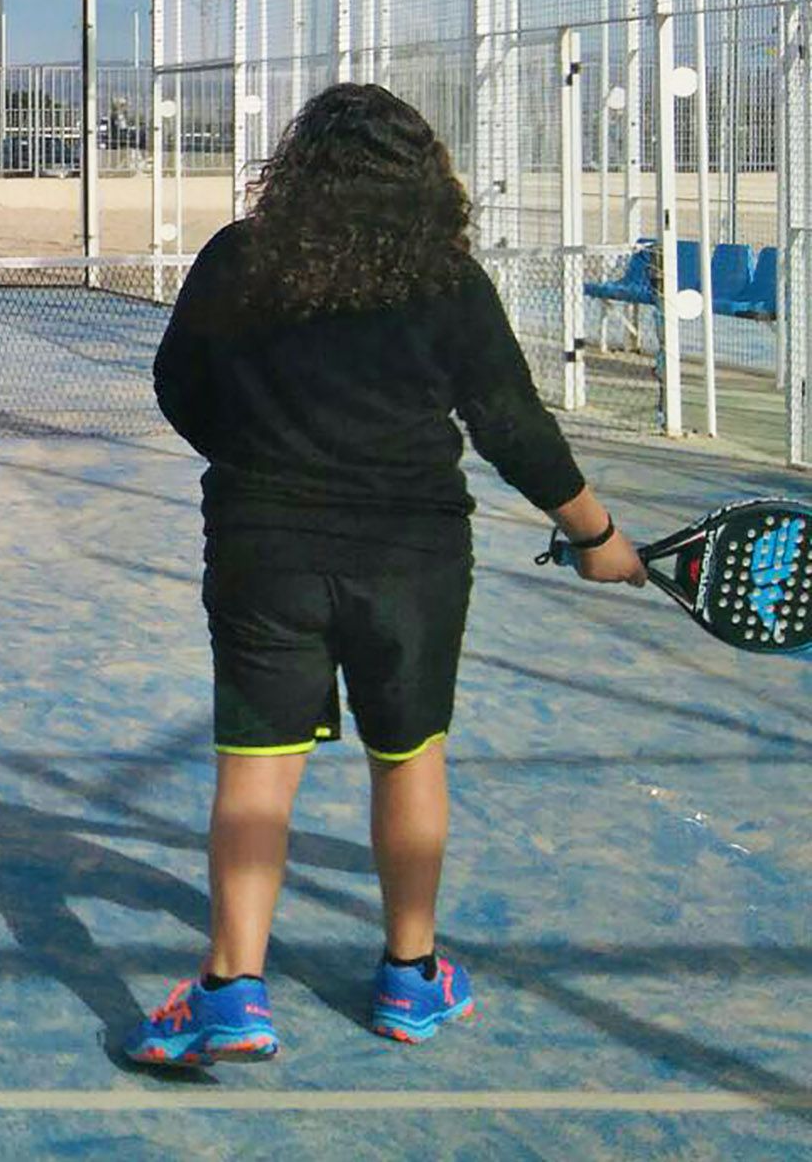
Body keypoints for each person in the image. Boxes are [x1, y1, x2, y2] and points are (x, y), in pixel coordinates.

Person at [124, 83, 646, 1067]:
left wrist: (256, 460)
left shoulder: (241, 259)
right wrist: (595, 534)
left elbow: (176, 386)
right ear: (421, 180)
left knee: (256, 770)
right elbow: (510, 427)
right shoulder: (444, 281)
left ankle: (231, 993)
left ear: (297, 169)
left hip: (260, 552)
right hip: (411, 561)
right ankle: (410, 978)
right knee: (407, 755)